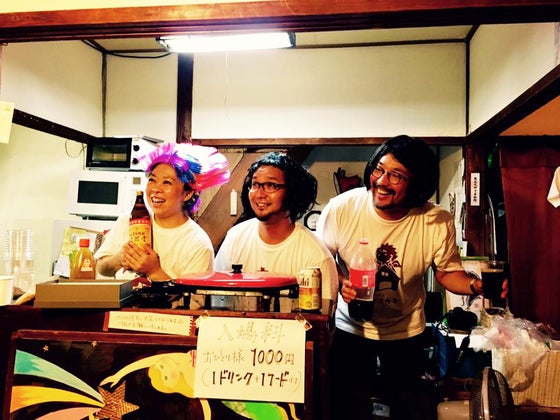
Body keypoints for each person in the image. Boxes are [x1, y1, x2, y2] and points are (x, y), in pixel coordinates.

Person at [316, 135, 499, 420]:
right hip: (351, 329)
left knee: (408, 409)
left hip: (406, 331)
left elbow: (447, 272)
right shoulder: (342, 208)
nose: (381, 181)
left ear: (417, 182)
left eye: (396, 175)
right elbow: (322, 261)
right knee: (346, 408)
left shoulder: (435, 220)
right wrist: (341, 282)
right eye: (379, 169)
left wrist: (476, 285)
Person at [214, 152, 338, 311]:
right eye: (255, 184)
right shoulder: (235, 237)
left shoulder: (315, 255)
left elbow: (322, 319)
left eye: (271, 185)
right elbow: (216, 297)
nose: (260, 194)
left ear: (292, 192)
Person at [95, 142, 230, 283]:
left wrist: (154, 271)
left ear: (187, 194)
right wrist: (119, 258)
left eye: (167, 183)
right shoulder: (129, 220)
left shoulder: (198, 244)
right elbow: (102, 268)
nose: (155, 189)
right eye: (152, 180)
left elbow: (192, 295)